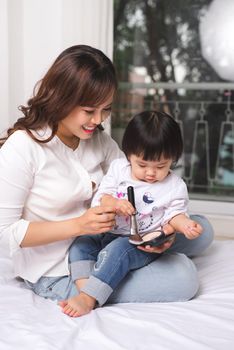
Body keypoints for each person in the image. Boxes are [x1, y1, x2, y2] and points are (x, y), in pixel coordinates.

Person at [0, 45, 213, 317]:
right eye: (89, 110)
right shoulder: (23, 147)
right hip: (58, 267)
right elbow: (6, 234)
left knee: (202, 229)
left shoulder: (96, 139)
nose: (98, 120)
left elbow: (135, 181)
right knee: (183, 277)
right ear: (61, 98)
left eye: (106, 109)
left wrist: (164, 232)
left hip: (113, 236)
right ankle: (100, 280)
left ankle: (143, 253)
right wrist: (79, 224)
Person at [61, 111, 203, 317]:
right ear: (129, 155)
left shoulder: (174, 186)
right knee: (81, 244)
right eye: (142, 165)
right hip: (107, 231)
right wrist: (116, 204)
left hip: (139, 241)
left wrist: (185, 225)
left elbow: (176, 215)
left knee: (119, 251)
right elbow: (102, 197)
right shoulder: (119, 169)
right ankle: (85, 288)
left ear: (173, 159)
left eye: (161, 166)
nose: (151, 173)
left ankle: (89, 297)